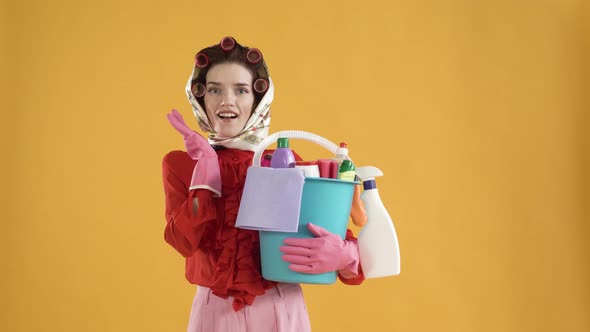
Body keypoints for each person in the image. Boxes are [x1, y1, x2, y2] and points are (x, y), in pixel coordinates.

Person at [162, 36, 364, 332]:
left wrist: (347, 255)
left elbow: (345, 250)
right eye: (215, 89)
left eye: (240, 90)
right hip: (213, 314)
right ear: (200, 97)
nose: (226, 100)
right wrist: (204, 174)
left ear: (258, 100)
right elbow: (183, 242)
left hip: (281, 309)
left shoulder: (287, 161)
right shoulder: (181, 164)